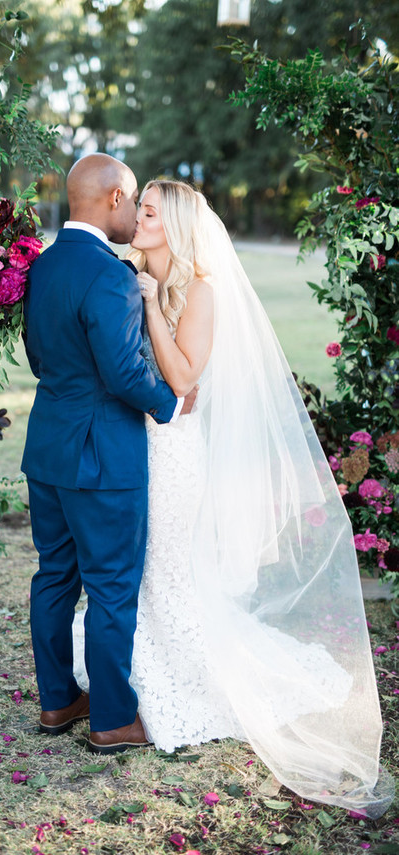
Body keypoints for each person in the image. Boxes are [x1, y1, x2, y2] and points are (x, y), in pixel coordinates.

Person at [73, 178, 393, 817]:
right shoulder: (131, 274)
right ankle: (128, 666)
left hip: (174, 452)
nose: (137, 218)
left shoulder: (201, 292)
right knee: (138, 567)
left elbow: (182, 376)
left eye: (149, 212)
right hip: (134, 445)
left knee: (167, 565)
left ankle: (184, 674)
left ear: (175, 226)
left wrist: (149, 307)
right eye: (139, 208)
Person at [21, 156, 197, 755]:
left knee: (54, 577)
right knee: (112, 587)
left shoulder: (43, 267)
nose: (135, 216)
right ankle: (113, 719)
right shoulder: (110, 274)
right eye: (134, 201)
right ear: (115, 198)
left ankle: (57, 701)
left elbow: (39, 358)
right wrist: (170, 405)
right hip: (103, 458)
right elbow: (123, 373)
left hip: (48, 449)